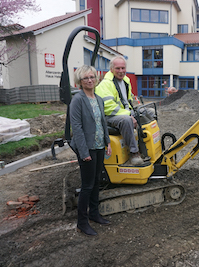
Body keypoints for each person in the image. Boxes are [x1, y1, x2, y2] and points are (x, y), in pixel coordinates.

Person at [70, 65, 112, 236]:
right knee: (87, 186)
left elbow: (103, 122)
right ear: (80, 81)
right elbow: (77, 128)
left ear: (96, 78)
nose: (89, 80)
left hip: (100, 146)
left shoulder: (99, 99)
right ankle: (82, 222)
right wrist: (84, 152)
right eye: (85, 78)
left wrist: (108, 142)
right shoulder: (77, 100)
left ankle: (95, 214)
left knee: (96, 182)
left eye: (92, 77)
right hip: (87, 148)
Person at [95, 56, 144, 166]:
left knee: (148, 113)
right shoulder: (106, 84)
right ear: (111, 69)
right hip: (109, 116)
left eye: (123, 68)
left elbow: (128, 100)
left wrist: (134, 111)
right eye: (118, 68)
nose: (121, 71)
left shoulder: (126, 80)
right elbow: (109, 107)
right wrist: (129, 114)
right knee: (126, 120)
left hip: (122, 112)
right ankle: (134, 153)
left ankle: (145, 147)